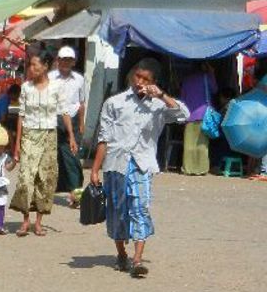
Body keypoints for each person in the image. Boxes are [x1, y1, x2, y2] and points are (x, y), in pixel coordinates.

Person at [90, 58, 189, 278]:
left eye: (146, 79)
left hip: (141, 164)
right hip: (115, 164)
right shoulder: (114, 103)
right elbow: (103, 139)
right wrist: (95, 170)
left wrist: (161, 95)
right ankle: (121, 253)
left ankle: (137, 259)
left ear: (154, 82)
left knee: (140, 208)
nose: (140, 82)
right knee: (117, 211)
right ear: (131, 75)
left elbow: (184, 115)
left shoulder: (158, 106)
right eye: (138, 76)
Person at [10, 51, 72, 237]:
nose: (32, 69)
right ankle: (25, 221)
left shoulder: (56, 87)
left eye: (36, 65)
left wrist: (71, 136)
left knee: (45, 179)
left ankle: (38, 223)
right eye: (30, 65)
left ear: (46, 66)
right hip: (29, 135)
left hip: (49, 136)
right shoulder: (26, 88)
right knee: (26, 178)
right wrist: (17, 145)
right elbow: (21, 116)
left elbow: (65, 112)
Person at [52, 46, 86, 206]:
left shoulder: (79, 79)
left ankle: (75, 193)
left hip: (72, 120)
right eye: (63, 59)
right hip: (53, 120)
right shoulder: (50, 77)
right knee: (55, 157)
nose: (65, 62)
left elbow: (81, 103)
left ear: (74, 62)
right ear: (58, 61)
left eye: (69, 60)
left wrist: (81, 123)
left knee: (73, 158)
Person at [178, 62, 217, 176]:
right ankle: (201, 169)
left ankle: (188, 169)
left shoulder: (186, 80)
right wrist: (212, 73)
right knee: (202, 144)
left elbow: (182, 97)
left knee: (189, 144)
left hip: (189, 114)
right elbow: (214, 90)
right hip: (204, 114)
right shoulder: (206, 78)